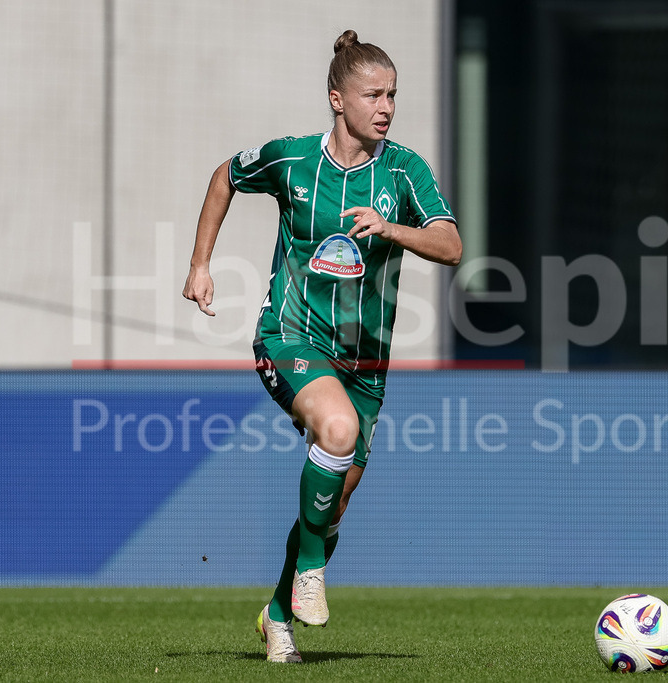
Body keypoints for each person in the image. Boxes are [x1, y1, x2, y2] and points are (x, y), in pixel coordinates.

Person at [182, 29, 461, 663]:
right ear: (337, 98)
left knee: (332, 503)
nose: (386, 107)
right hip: (289, 336)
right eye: (373, 94)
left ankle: (277, 614)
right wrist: (200, 264)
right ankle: (310, 573)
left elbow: (451, 246)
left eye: (393, 94)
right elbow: (226, 175)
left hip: (366, 363)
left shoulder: (404, 170)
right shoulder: (295, 161)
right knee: (335, 432)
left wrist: (393, 228)